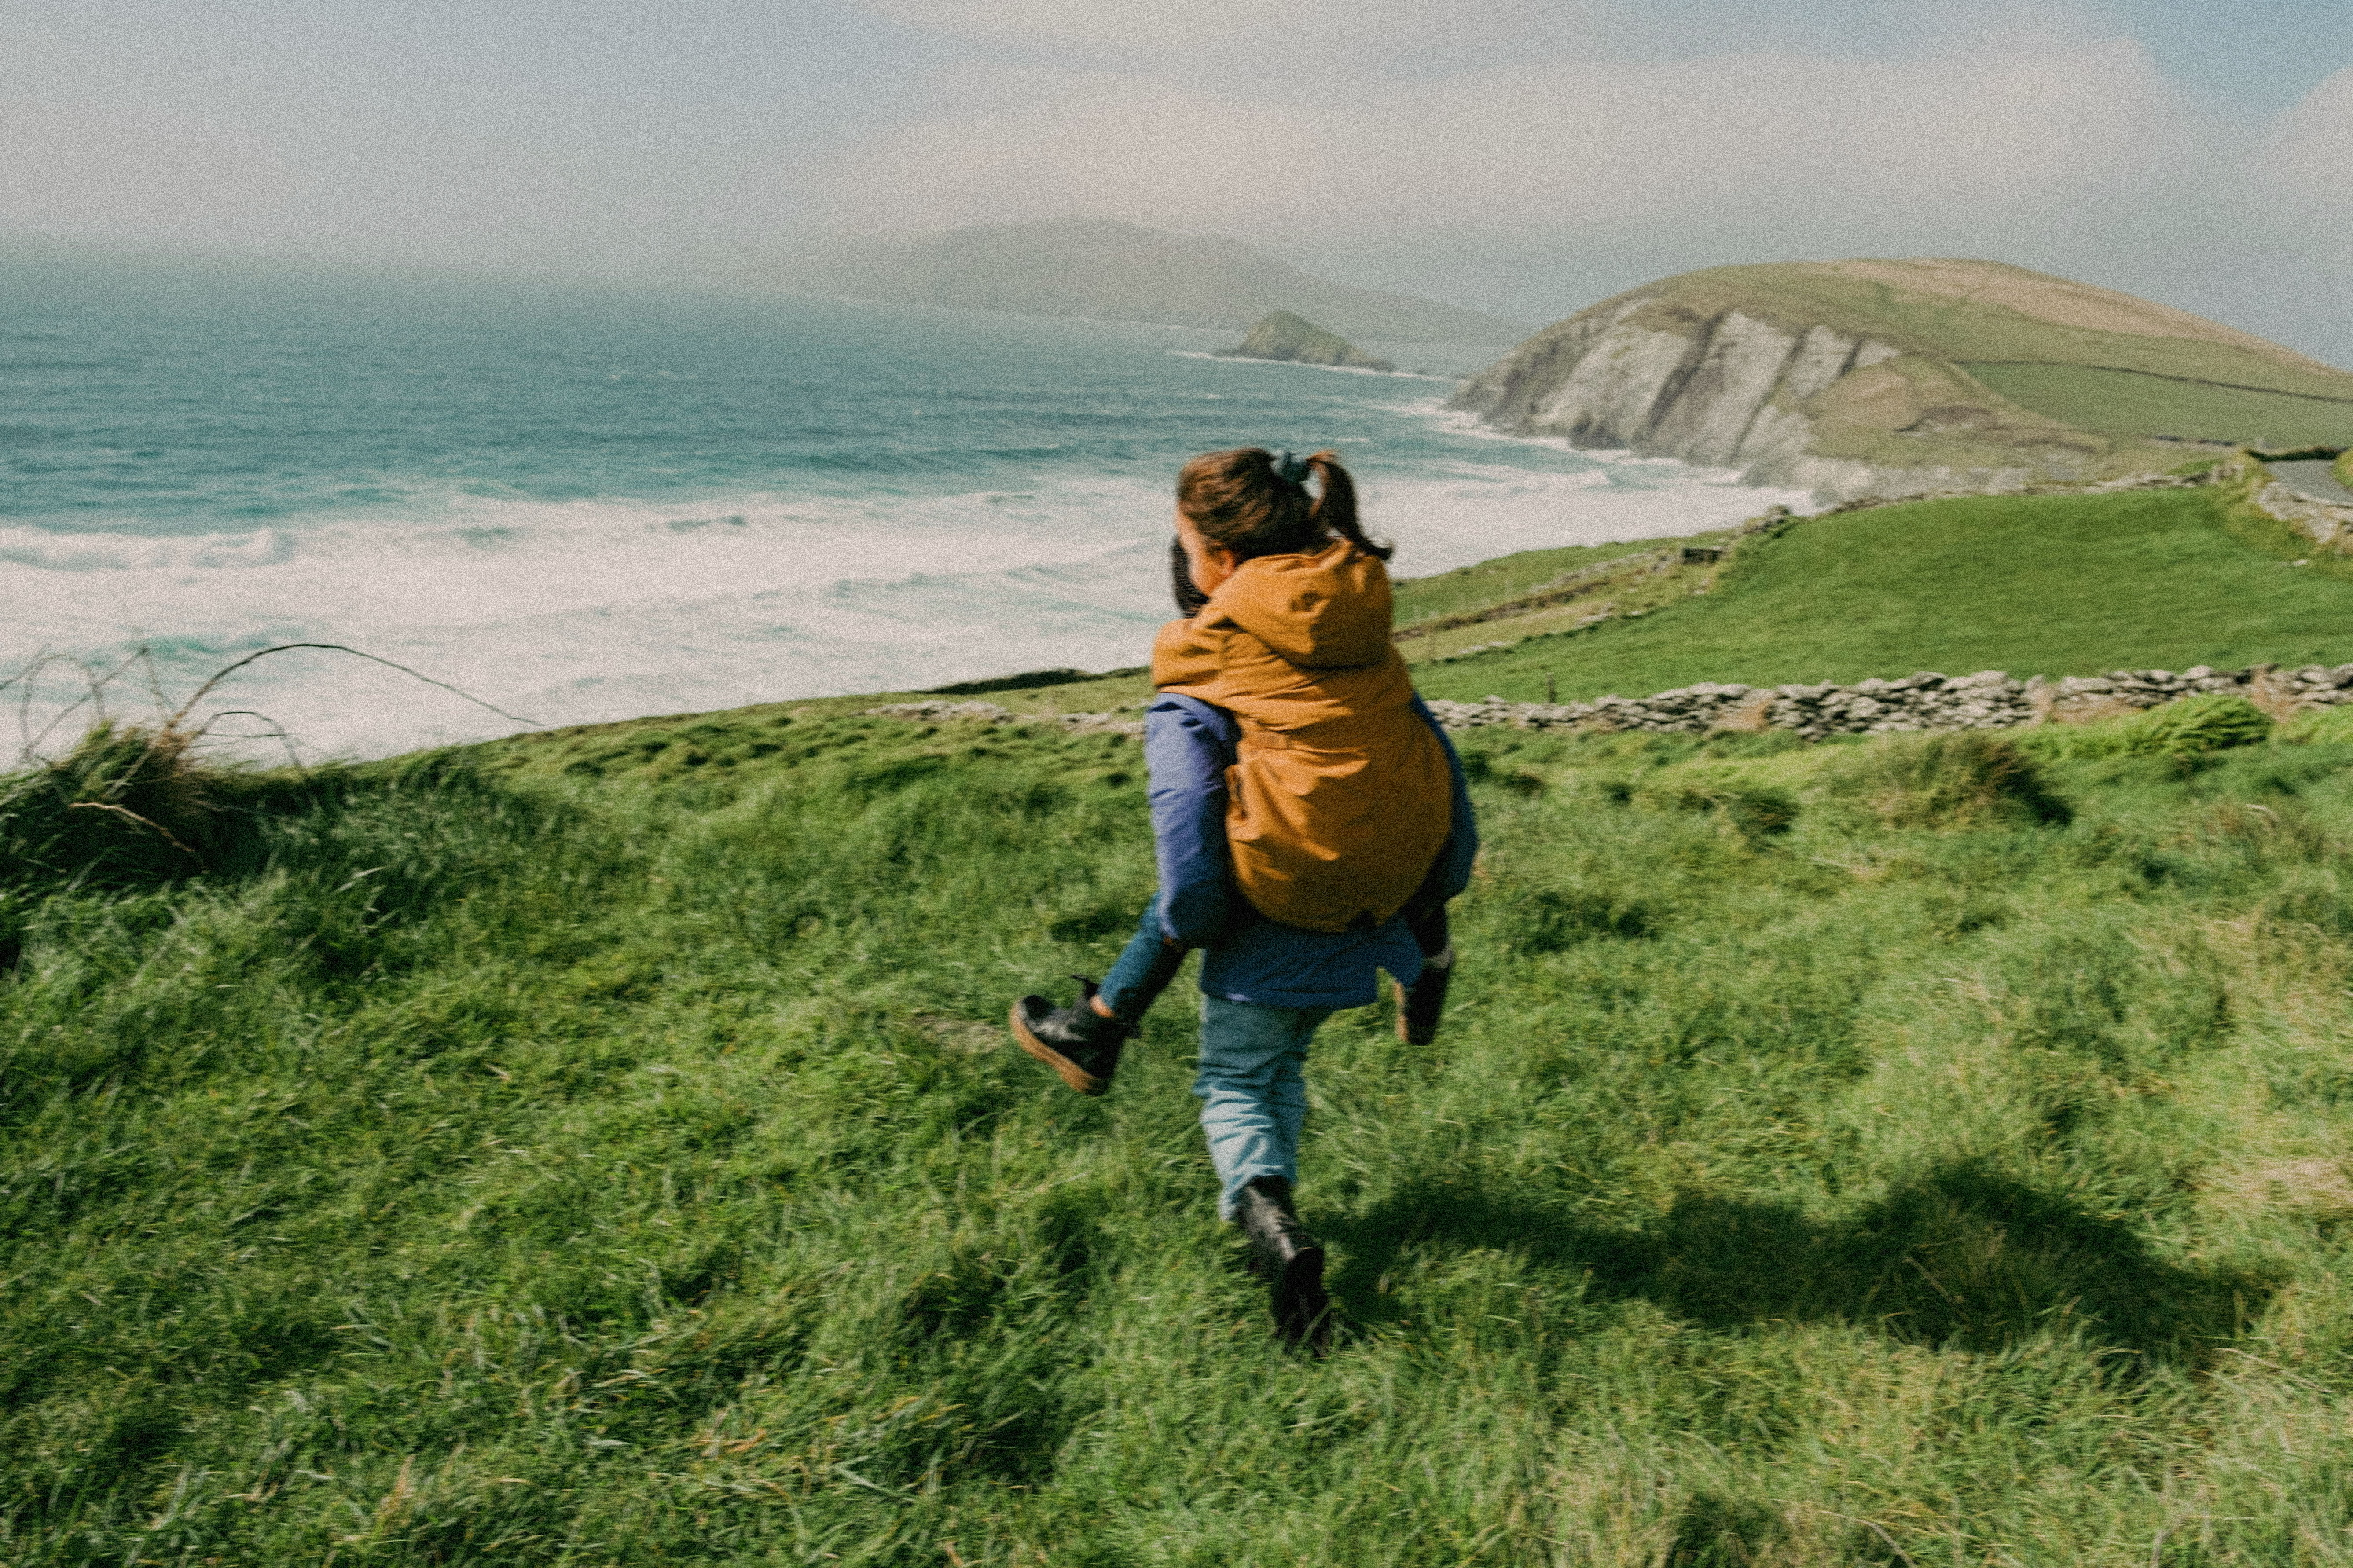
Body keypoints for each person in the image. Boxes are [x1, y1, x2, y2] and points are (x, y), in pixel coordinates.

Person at [1008, 447, 1477, 1348]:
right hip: (1377, 897)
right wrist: (1436, 897)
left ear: (1219, 560)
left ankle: (1269, 1222)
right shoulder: (1362, 632)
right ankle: (1259, 1187)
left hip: (1275, 902)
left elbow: (1187, 836)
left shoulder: (1204, 666)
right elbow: (1437, 762)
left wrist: (1188, 928)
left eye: (1184, 543)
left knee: (1235, 1079)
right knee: (1281, 1068)